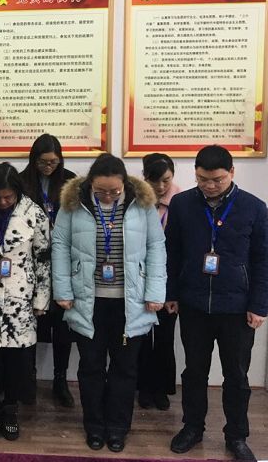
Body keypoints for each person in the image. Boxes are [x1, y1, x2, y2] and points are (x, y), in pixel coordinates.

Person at [166, 145, 268, 461]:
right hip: (194, 304)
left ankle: (236, 436)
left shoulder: (253, 208)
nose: (210, 186)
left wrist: (260, 305)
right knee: (194, 372)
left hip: (237, 308)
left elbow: (264, 260)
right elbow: (172, 252)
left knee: (237, 376)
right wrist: (171, 293)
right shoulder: (182, 204)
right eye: (202, 179)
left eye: (217, 179)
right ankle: (192, 427)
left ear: (232, 173)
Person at [52, 154, 166, 453]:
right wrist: (62, 290)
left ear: (124, 184)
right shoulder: (73, 203)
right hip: (87, 300)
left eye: (114, 191)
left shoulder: (142, 203)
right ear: (90, 184)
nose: (107, 196)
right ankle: (94, 426)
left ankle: (117, 428)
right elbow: (60, 246)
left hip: (130, 302)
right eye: (101, 191)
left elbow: (156, 246)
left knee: (124, 369)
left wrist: (155, 292)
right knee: (90, 367)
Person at [0, 162, 50, 442]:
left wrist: (41, 298)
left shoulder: (34, 213)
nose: (3, 202)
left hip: (22, 301)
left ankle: (10, 410)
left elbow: (43, 259)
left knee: (18, 363)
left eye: (9, 197)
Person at [18, 133, 77, 407]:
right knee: (32, 320)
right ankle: (27, 376)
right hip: (30, 262)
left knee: (62, 325)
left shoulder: (71, 182)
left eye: (53, 161)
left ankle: (60, 378)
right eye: (42, 162)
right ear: (34, 160)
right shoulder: (21, 181)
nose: (48, 167)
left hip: (63, 262)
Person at [137, 153, 180, 411]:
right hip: (140, 279)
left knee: (164, 338)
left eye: (166, 180)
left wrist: (174, 291)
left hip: (169, 281)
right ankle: (143, 387)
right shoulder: (137, 200)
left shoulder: (182, 202)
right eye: (155, 181)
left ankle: (161, 388)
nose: (161, 187)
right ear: (145, 177)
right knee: (141, 337)